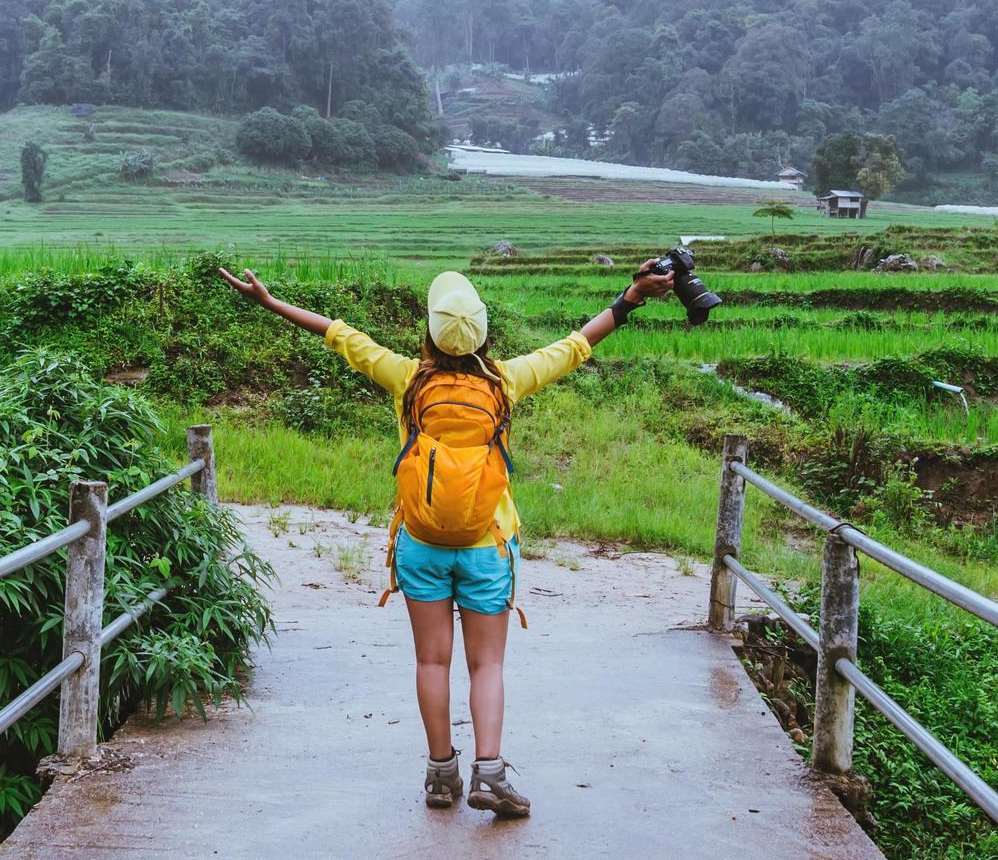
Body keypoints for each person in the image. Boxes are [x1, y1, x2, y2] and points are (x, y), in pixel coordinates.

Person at [216, 258, 673, 819]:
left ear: (430, 332)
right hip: (488, 543)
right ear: (483, 331)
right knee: (488, 666)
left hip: (420, 541)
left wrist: (268, 302)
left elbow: (338, 334)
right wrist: (630, 297)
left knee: (432, 663)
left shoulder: (407, 379)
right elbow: (576, 344)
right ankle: (490, 774)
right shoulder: (505, 381)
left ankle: (439, 776)